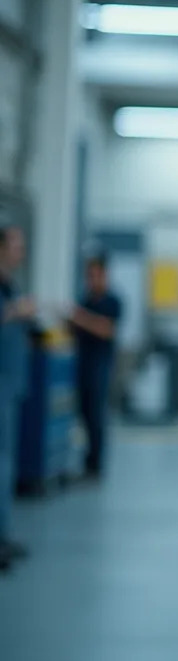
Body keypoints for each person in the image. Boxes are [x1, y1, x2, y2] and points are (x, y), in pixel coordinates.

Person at [65, 255, 122, 479]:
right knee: (84, 413)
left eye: (96, 275)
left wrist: (79, 318)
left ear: (105, 275)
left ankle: (96, 465)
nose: (93, 280)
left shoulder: (112, 301)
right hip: (83, 363)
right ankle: (87, 461)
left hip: (101, 366)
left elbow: (106, 329)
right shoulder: (86, 301)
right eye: (89, 275)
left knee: (96, 415)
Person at [0, 225, 35, 572]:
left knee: (6, 463)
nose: (20, 251)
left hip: (10, 381)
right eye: (16, 245)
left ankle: (4, 534)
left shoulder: (10, 284)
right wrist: (16, 312)